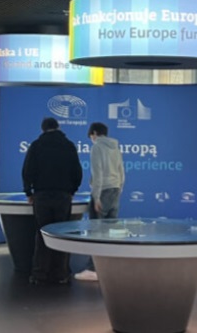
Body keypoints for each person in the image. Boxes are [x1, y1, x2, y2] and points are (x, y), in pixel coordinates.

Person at [21, 117, 83, 285]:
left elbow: (27, 171)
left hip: (42, 195)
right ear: (58, 127)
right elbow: (77, 172)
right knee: (62, 234)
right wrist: (72, 190)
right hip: (63, 196)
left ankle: (39, 274)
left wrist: (29, 192)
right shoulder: (69, 146)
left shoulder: (36, 146)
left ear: (43, 129)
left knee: (42, 234)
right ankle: (61, 273)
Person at [75, 121, 125, 282]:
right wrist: (118, 189)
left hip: (103, 191)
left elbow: (98, 173)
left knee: (96, 232)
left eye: (91, 136)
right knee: (110, 232)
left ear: (94, 133)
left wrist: (96, 197)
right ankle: (109, 267)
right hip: (115, 190)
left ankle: (93, 269)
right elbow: (121, 171)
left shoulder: (97, 147)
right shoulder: (115, 147)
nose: (91, 139)